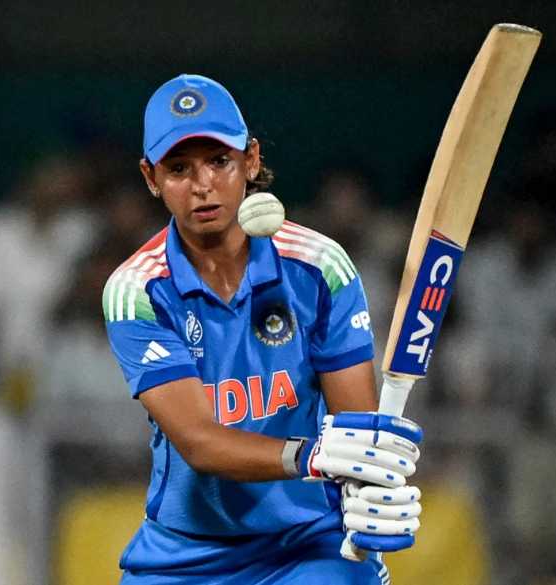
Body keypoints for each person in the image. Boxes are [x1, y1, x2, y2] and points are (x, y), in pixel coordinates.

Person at [103, 74, 423, 584]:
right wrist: (313, 457)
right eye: (179, 168)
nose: (202, 185)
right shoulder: (137, 290)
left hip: (308, 545)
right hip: (184, 556)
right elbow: (200, 443)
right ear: (151, 177)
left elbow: (356, 428)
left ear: (251, 160)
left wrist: (371, 495)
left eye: (219, 161)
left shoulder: (320, 268)